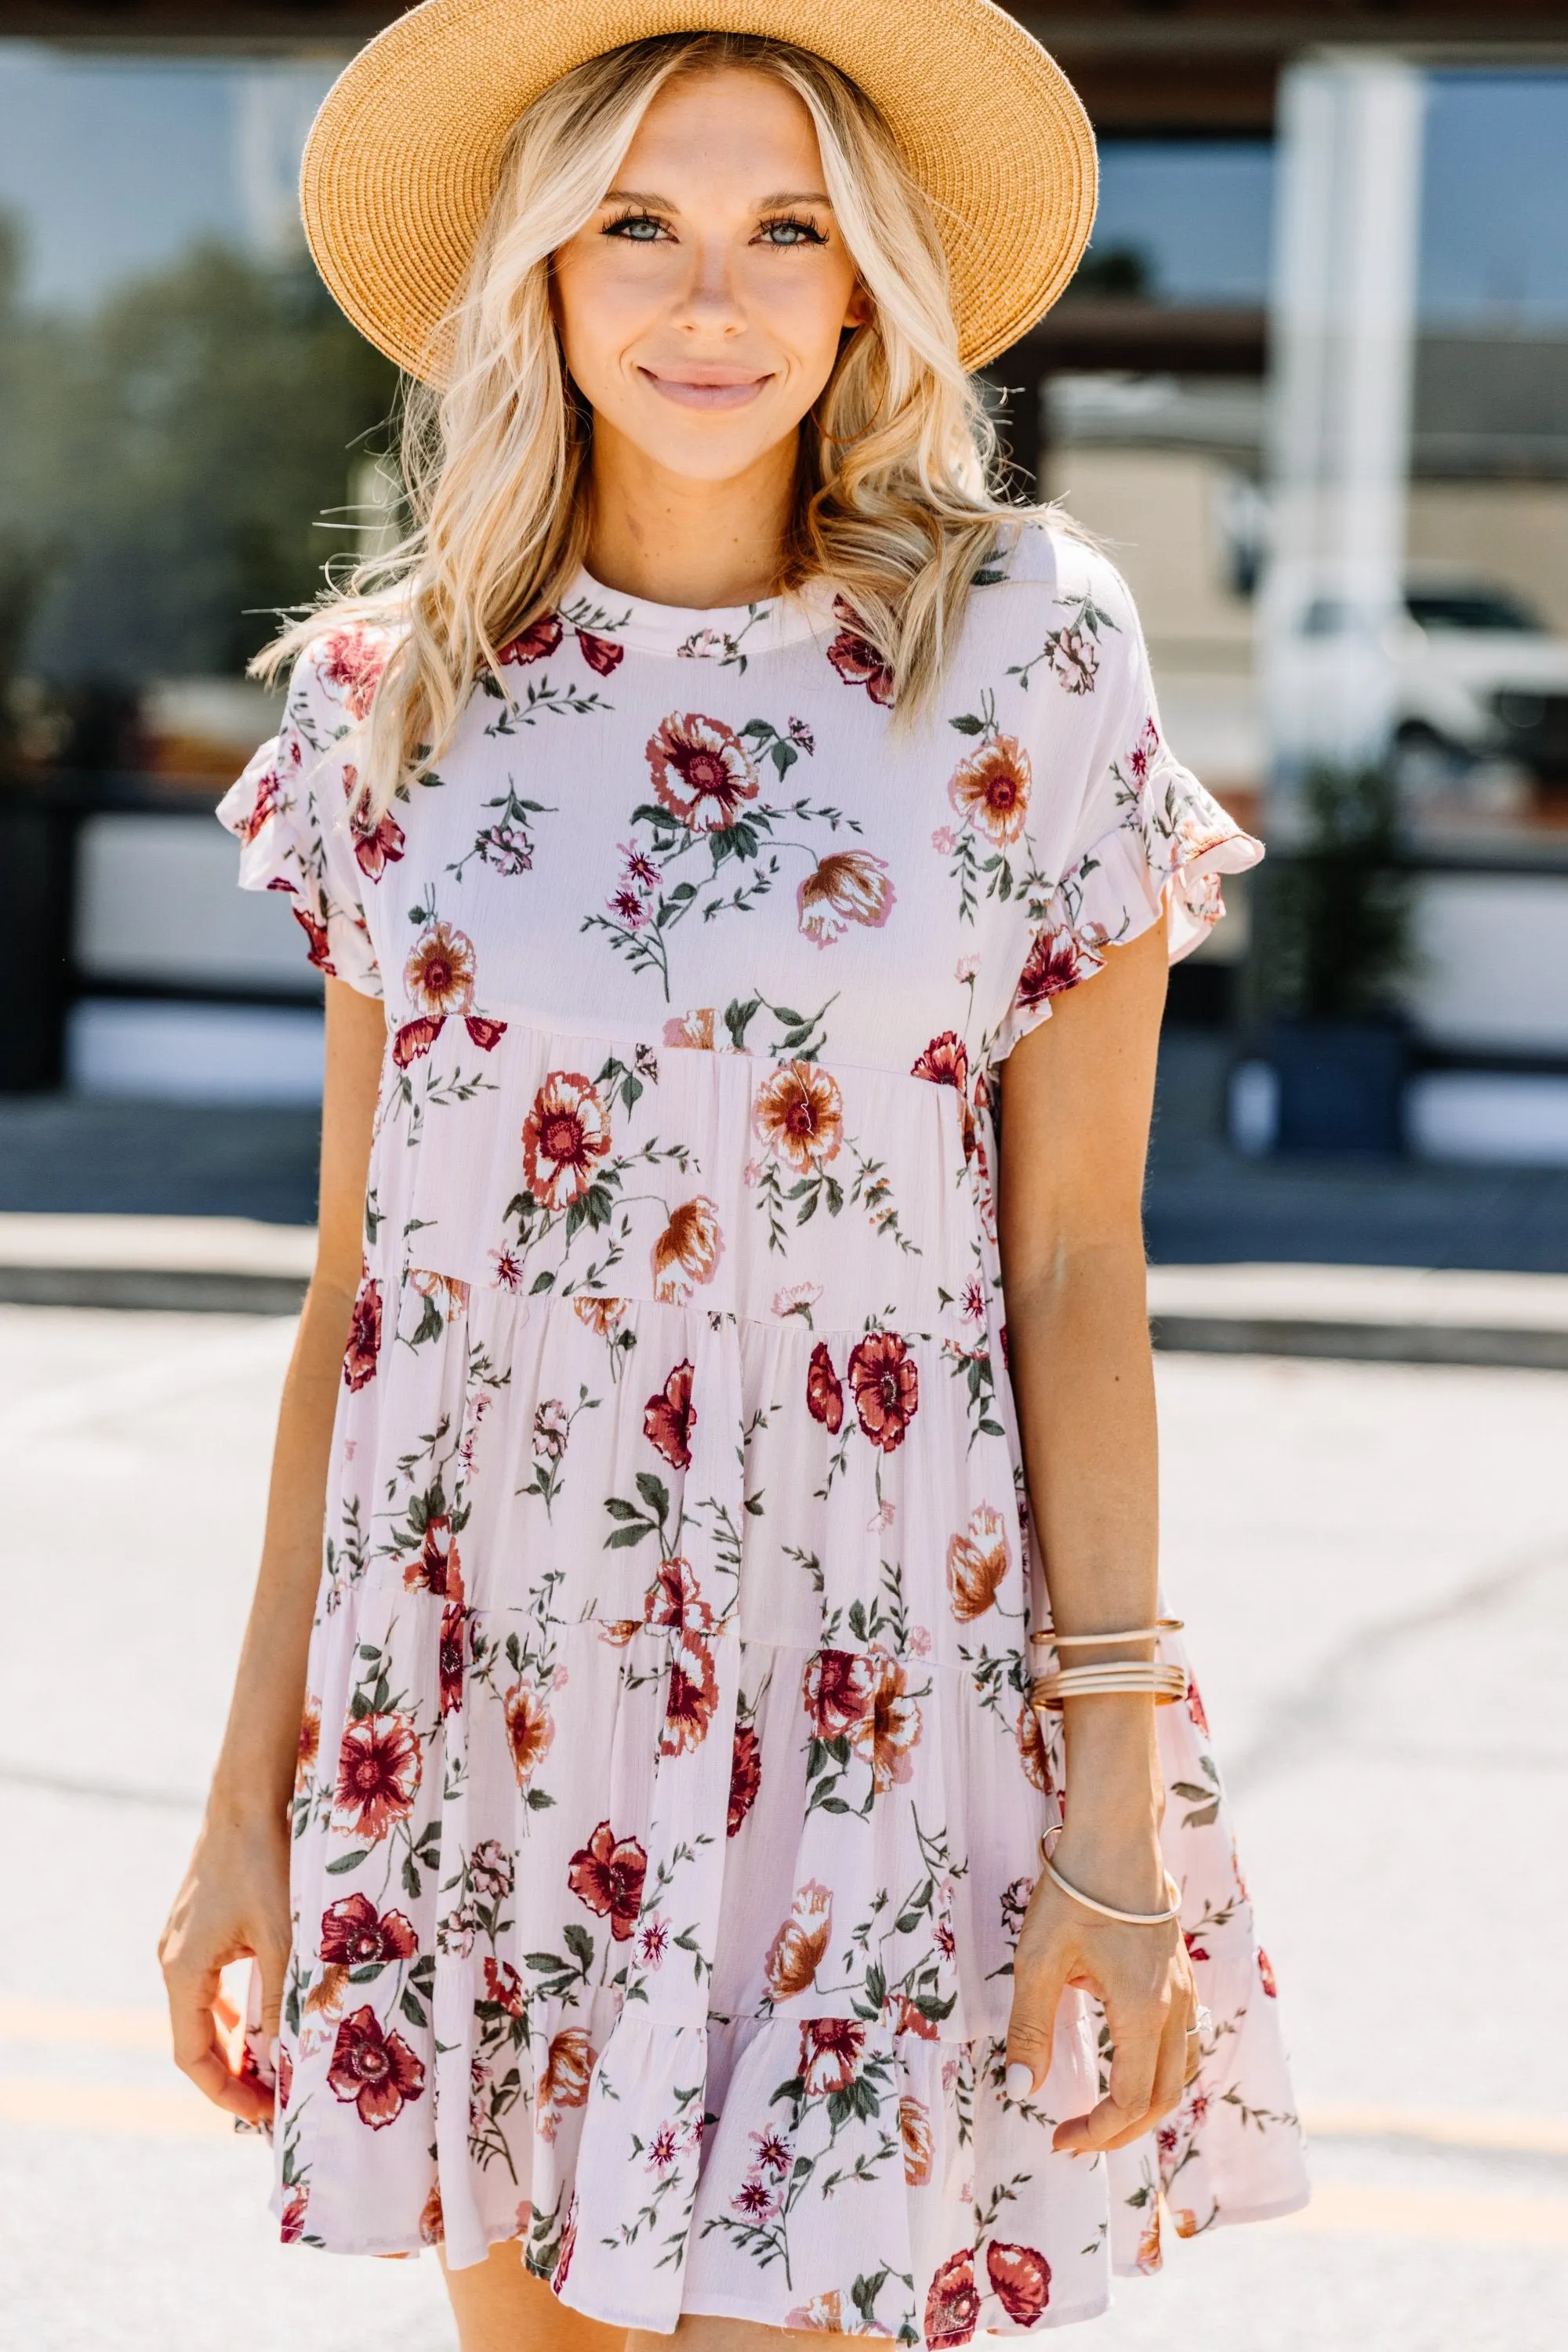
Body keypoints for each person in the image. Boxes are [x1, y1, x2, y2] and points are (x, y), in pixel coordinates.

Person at [160, 4, 1308, 2345]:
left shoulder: (1025, 654)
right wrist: (246, 1800)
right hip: (490, 1700)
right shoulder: (394, 703)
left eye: (786, 229)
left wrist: (1109, 1797)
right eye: (639, 228)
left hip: (886, 1674)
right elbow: (356, 1306)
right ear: (543, 283)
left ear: (870, 280)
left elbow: (1084, 1261)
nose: (713, 300)